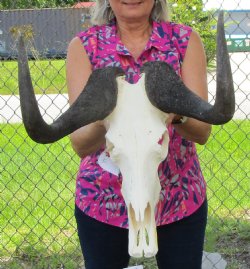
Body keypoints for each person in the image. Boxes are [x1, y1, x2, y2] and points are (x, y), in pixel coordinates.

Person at [66, 0, 211, 268]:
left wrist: (174, 112)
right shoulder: (85, 47)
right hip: (103, 199)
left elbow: (202, 131)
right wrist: (108, 116)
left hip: (178, 197)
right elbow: (80, 143)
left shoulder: (184, 41)